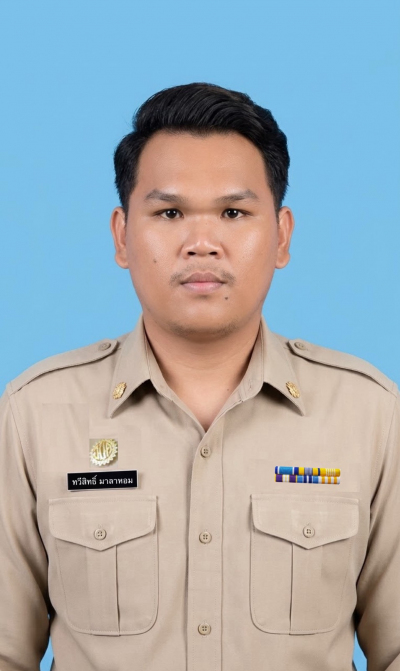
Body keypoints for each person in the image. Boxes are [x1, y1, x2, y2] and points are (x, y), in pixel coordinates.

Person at [0, 82, 399, 671]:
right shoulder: (35, 413)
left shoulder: (369, 413)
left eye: (234, 213)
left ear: (282, 235)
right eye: (169, 213)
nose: (202, 244)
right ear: (122, 236)